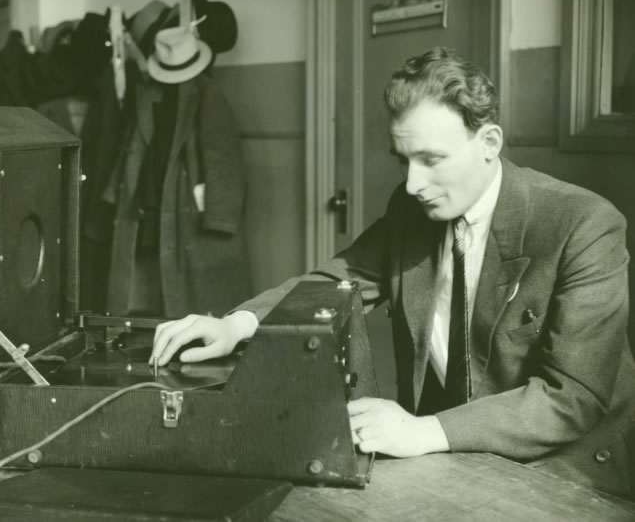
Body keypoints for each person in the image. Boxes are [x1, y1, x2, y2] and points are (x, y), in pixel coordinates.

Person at [149, 47, 635, 498]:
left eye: (431, 160)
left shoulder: (583, 224)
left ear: (489, 142)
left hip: (569, 470)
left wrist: (424, 430)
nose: (412, 183)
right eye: (403, 160)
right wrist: (235, 324)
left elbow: (571, 398)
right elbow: (339, 280)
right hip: (451, 455)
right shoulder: (414, 208)